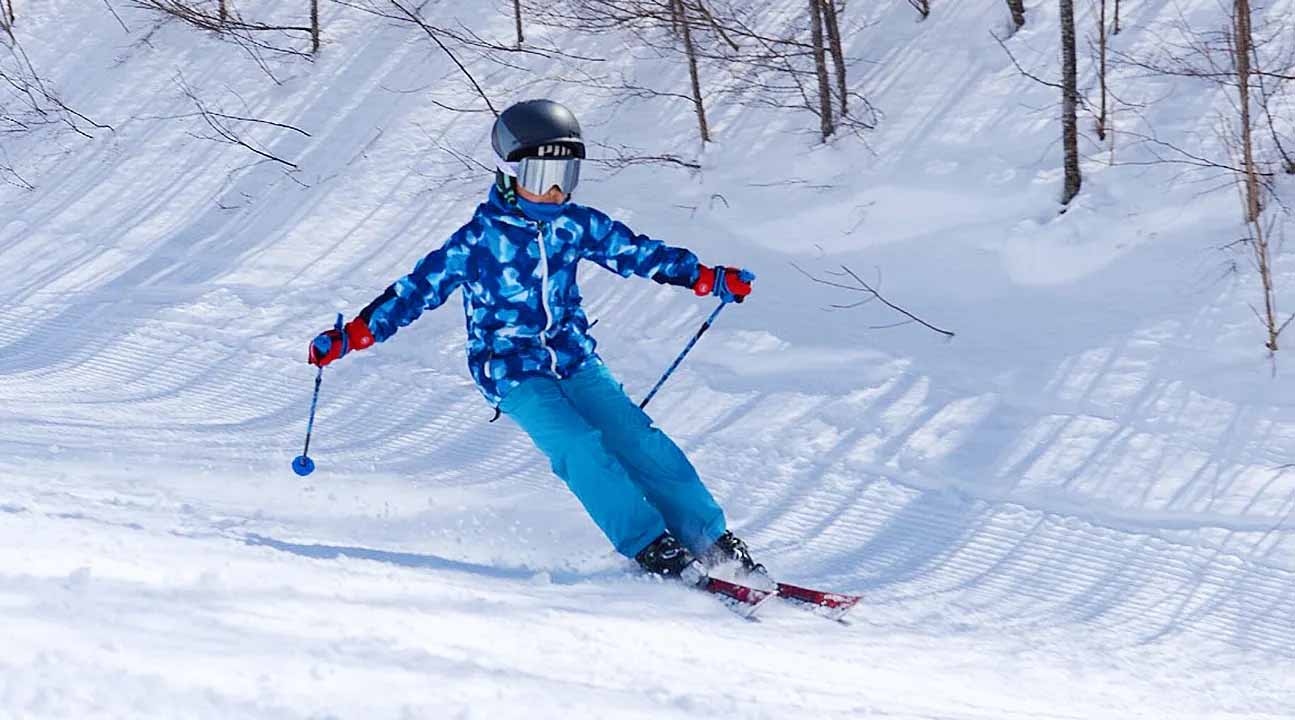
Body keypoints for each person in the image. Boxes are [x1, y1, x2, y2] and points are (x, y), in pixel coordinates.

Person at [307, 99, 763, 587]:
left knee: (638, 441)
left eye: (564, 176)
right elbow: (415, 292)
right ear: (507, 173)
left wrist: (706, 277)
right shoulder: (477, 241)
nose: (551, 190)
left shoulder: (574, 224)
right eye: (539, 174)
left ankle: (708, 539)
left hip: (574, 358)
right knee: (578, 444)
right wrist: (352, 335)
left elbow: (636, 253)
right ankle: (649, 543)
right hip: (509, 369)